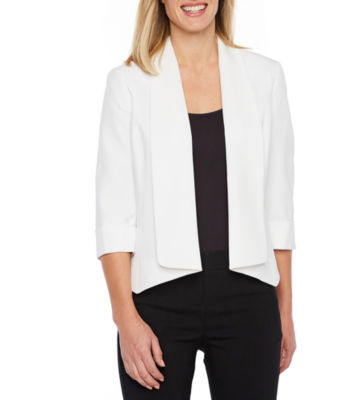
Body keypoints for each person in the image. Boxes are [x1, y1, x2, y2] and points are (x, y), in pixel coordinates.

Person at [95, 0, 297, 398]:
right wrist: (125, 320)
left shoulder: (264, 78)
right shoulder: (129, 83)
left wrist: (285, 310)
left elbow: (278, 207)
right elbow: (114, 216)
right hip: (157, 300)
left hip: (249, 296)